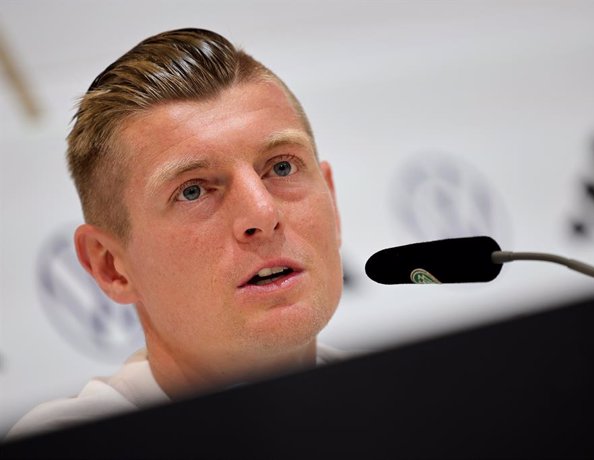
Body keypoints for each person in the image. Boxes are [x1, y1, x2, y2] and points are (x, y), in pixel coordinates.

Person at [7, 28, 344, 439]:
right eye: (193, 190)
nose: (262, 213)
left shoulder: (412, 404)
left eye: (282, 167)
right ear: (111, 267)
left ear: (331, 198)